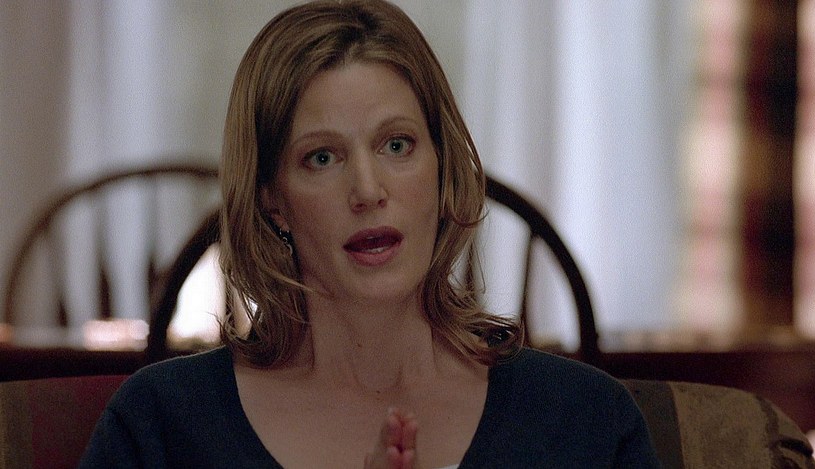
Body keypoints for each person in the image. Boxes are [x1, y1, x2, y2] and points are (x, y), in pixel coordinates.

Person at [80, 1, 661, 467]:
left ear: (442, 169)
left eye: (397, 145)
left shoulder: (584, 421)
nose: (367, 189)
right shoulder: (162, 424)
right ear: (272, 200)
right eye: (322, 158)